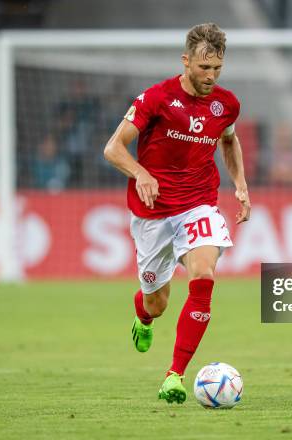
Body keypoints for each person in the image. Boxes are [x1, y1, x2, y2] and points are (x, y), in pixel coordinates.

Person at [103, 23, 251, 404]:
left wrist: (240, 184)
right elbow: (113, 149)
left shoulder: (227, 104)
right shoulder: (156, 98)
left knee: (204, 275)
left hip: (199, 202)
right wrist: (141, 173)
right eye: (204, 68)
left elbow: (230, 142)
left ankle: (175, 376)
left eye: (217, 68)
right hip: (152, 212)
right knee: (158, 301)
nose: (211, 76)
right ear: (186, 61)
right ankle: (144, 315)